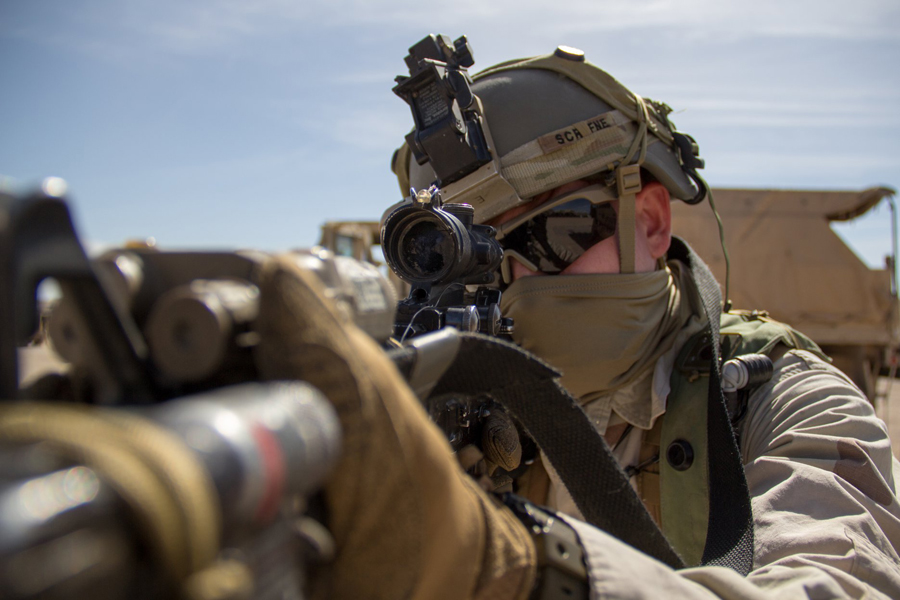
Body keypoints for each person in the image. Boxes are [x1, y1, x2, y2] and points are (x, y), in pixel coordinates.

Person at [262, 44, 900, 598]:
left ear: (648, 222)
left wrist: (525, 575)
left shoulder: (784, 401)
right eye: (470, 260)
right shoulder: (456, 402)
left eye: (552, 235)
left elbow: (838, 579)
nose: (516, 282)